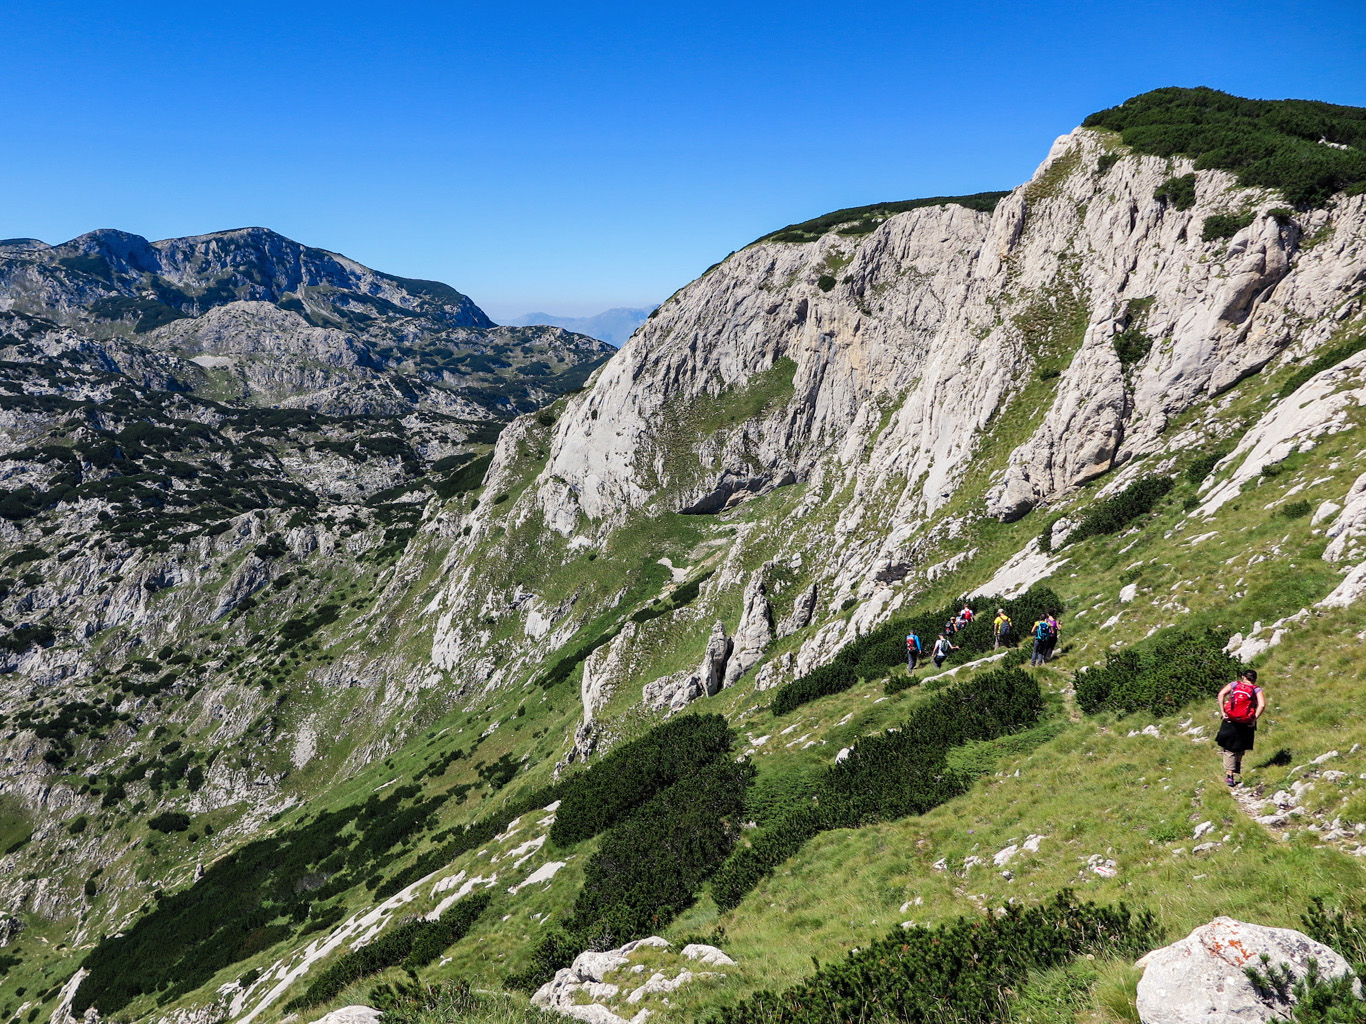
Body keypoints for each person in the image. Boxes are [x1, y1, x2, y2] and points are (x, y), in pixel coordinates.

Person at [1216, 669, 1265, 787]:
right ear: (1254, 679)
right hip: (1246, 721)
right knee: (1240, 746)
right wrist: (1254, 719)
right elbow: (1262, 705)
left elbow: (1221, 694)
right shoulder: (1256, 689)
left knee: (1229, 748)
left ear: (1243, 677)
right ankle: (1236, 766)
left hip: (1230, 719)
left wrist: (1223, 712)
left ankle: (1230, 775)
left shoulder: (1234, 685)